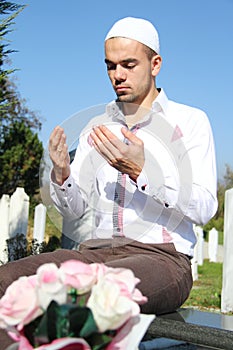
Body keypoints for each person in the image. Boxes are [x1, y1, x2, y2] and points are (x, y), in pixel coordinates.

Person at [0, 17, 218, 349]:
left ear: (155, 64)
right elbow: (76, 208)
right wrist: (62, 175)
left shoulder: (190, 121)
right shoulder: (95, 128)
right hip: (93, 252)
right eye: (111, 65)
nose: (118, 75)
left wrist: (142, 170)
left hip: (163, 259)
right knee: (6, 282)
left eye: (129, 64)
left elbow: (205, 208)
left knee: (90, 297)